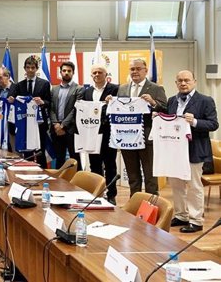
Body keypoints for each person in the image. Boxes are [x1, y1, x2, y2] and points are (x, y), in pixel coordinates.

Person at [166, 70, 218, 233]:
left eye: (186, 80)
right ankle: (181, 215)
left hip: (195, 150)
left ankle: (196, 220)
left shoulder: (205, 100)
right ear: (176, 83)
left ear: (194, 81)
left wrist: (194, 122)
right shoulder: (171, 100)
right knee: (176, 185)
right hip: (175, 150)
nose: (183, 83)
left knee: (194, 186)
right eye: (180, 80)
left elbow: (213, 124)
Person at [110, 58, 167, 196]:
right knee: (133, 176)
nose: (135, 72)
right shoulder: (122, 88)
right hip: (127, 138)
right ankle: (134, 205)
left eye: (138, 68)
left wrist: (153, 102)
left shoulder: (156, 88)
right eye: (132, 69)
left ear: (145, 70)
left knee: (150, 177)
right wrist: (111, 102)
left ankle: (152, 208)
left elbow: (166, 109)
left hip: (147, 138)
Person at [84, 64, 119, 204]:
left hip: (108, 133)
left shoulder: (115, 89)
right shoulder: (87, 91)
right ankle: (98, 192)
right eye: (94, 73)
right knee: (94, 164)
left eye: (100, 72)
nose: (97, 75)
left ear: (106, 75)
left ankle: (111, 194)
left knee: (110, 164)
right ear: (91, 76)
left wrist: (113, 101)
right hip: (91, 133)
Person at [8, 56, 51, 168]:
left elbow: (49, 102)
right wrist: (11, 100)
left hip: (39, 122)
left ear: (36, 69)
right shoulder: (18, 85)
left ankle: (42, 173)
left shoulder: (44, 83)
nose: (30, 70)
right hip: (24, 123)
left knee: (40, 149)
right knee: (27, 150)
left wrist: (42, 102)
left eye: (33, 67)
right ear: (25, 68)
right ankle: (27, 172)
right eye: (28, 67)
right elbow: (11, 99)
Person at [49, 61, 83, 170]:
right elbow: (51, 108)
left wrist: (63, 125)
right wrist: (56, 124)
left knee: (75, 158)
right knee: (59, 158)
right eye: (64, 71)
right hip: (56, 129)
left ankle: (78, 183)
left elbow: (76, 109)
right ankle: (60, 184)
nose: (66, 73)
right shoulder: (54, 89)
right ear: (60, 73)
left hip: (71, 129)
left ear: (73, 73)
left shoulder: (79, 88)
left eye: (69, 71)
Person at [0, 66, 15, 151]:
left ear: (7, 76)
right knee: (1, 152)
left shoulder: (17, 88)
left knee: (15, 152)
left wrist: (14, 102)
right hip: (0, 125)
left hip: (12, 125)